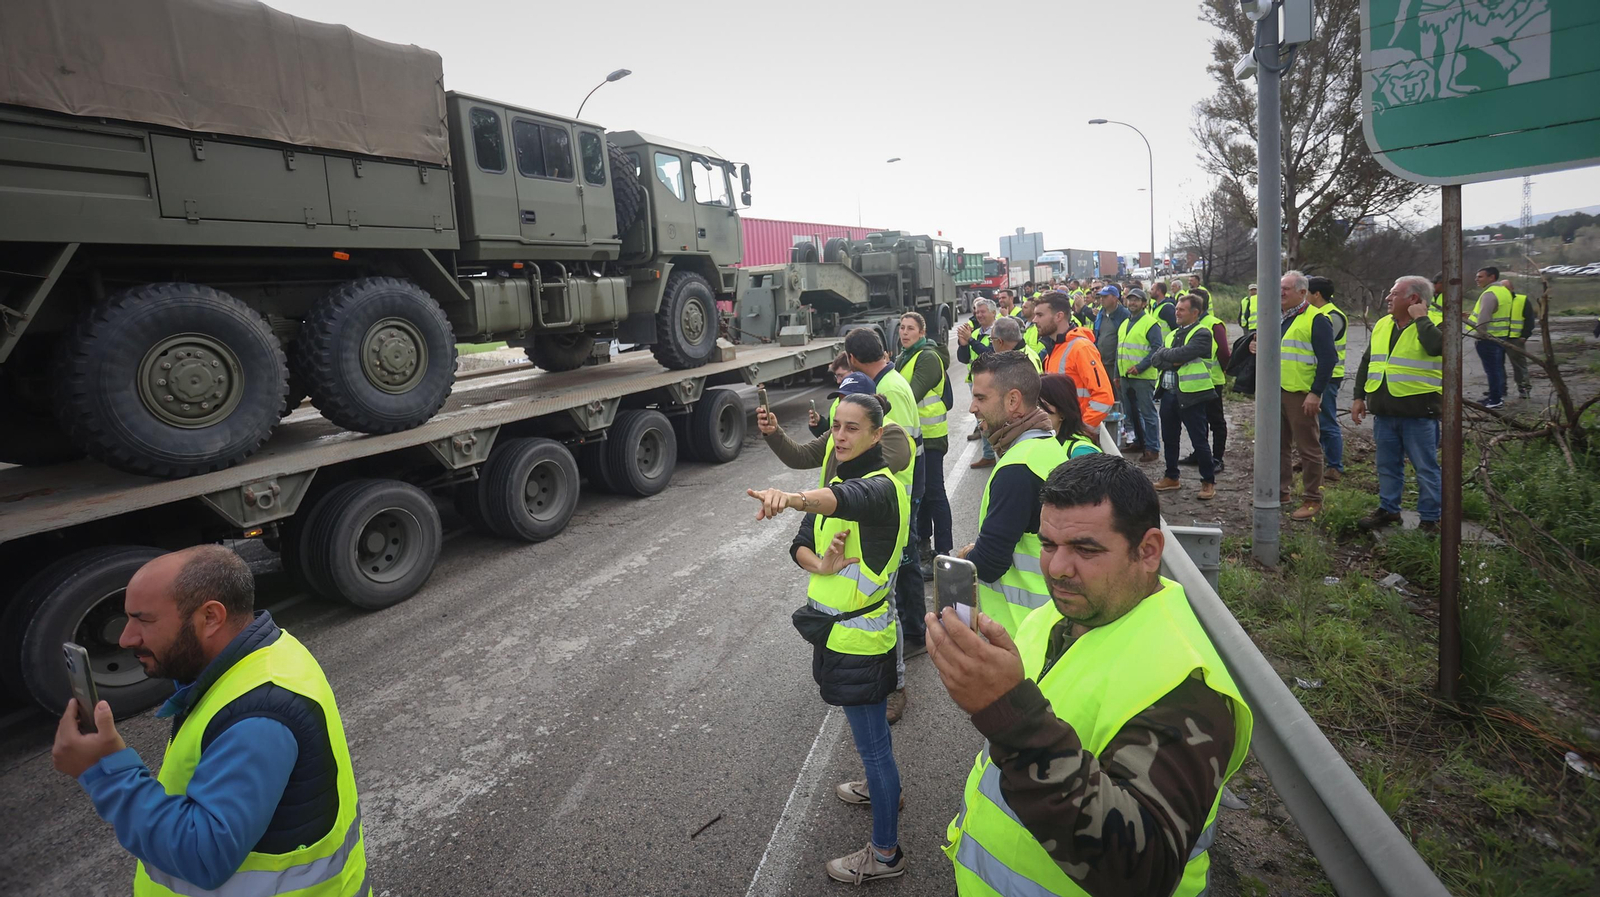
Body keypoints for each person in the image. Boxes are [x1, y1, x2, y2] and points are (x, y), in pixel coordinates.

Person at [929, 454, 1253, 897]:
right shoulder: (1054, 615)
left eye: (1085, 549)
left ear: (1148, 551)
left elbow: (1142, 869)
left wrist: (1006, 712)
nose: (1058, 568)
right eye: (1047, 545)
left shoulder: (1187, 687)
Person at [52, 545, 369, 896]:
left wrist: (104, 770)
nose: (126, 638)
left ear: (211, 618)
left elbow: (203, 857)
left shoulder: (257, 716)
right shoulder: (268, 652)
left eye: (144, 619)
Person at [747, 394, 910, 884]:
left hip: (861, 643)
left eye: (853, 428)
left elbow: (842, 502)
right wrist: (818, 563)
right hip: (835, 637)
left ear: (877, 435)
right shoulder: (837, 478)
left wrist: (792, 496)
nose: (839, 436)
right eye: (836, 427)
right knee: (871, 747)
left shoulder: (882, 489)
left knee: (876, 747)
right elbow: (800, 540)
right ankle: (881, 790)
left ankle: (885, 854)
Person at [958, 350, 1067, 636]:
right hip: (1047, 622)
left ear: (1013, 401)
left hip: (1020, 631)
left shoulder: (1017, 468)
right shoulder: (1045, 446)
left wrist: (969, 554)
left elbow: (991, 563)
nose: (972, 407)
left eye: (981, 398)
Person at [846, 328, 925, 721]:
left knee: (895, 583)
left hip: (895, 496)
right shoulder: (891, 381)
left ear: (852, 358)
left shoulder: (887, 390)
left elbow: (896, 448)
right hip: (898, 493)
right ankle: (914, 632)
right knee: (905, 569)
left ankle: (910, 639)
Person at [1350, 276, 1443, 536]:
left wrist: (1421, 318)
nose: (1388, 298)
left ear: (1413, 299)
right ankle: (1389, 509)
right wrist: (1358, 397)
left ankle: (1430, 518)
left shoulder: (1435, 323)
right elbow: (1368, 362)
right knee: (1387, 466)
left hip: (1419, 414)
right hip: (1385, 412)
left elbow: (1438, 347)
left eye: (1394, 294)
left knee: (1425, 468)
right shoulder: (1382, 325)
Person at [1268, 270, 1337, 519]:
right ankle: (1281, 491)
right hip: (1277, 392)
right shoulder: (1278, 317)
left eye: (1286, 288)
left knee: (1308, 448)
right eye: (1279, 288)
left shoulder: (1316, 319)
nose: (1281, 292)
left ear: (1302, 292)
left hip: (1301, 393)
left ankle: (1312, 499)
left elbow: (1329, 359)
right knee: (1279, 446)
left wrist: (1315, 393)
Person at [896, 312, 953, 582]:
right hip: (914, 437)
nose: (904, 332)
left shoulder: (927, 357)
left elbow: (909, 394)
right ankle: (923, 547)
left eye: (910, 328)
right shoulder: (904, 357)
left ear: (922, 332)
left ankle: (944, 554)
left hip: (930, 436)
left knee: (934, 493)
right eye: (901, 328)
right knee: (920, 494)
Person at [1147, 293, 1217, 500]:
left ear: (1195, 312)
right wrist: (1173, 358)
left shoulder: (1202, 333)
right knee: (1169, 438)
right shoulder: (1172, 334)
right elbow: (1155, 360)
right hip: (1169, 395)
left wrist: (1171, 357)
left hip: (1191, 395)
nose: (1176, 312)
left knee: (1199, 440)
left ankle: (1208, 481)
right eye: (1177, 309)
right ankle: (1171, 477)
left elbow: (1179, 355)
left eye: (1181, 309)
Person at [1035, 292, 1114, 430]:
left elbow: (1104, 397)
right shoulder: (1054, 349)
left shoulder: (1081, 348)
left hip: (1073, 435)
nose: (1035, 320)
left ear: (1059, 316)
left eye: (1040, 315)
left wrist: (1082, 429)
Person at [1181, 287, 1231, 474]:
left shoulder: (1214, 324)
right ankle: (1200, 453)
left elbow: (1224, 353)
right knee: (1198, 422)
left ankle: (1217, 458)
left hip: (1212, 381)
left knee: (1215, 421)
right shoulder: (1188, 325)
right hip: (1192, 382)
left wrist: (1226, 370)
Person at [1307, 275, 1347, 483]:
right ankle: (1313, 459)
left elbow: (1322, 347)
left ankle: (1334, 466)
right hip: (1314, 375)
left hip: (1329, 377)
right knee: (1312, 421)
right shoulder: (1316, 313)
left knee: (1327, 421)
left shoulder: (1332, 315)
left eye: (1307, 292)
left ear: (1317, 294)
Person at [1117, 287, 1165, 463]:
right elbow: (1119, 351)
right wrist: (1117, 374)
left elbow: (1157, 349)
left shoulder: (1151, 323)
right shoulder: (1124, 324)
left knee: (1147, 413)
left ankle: (1152, 448)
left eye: (1136, 300)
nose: (1132, 303)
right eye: (1130, 299)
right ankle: (1138, 441)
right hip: (1125, 376)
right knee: (1130, 413)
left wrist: (1140, 367)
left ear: (1144, 303)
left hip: (1143, 377)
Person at [958, 298, 998, 462]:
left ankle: (995, 453)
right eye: (977, 312)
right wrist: (963, 345)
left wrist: (971, 341)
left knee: (994, 418)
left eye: (983, 312)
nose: (979, 315)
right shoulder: (975, 332)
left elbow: (990, 354)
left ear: (993, 313)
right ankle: (988, 455)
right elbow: (963, 358)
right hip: (976, 382)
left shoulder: (997, 331)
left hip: (993, 382)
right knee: (982, 418)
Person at [1468, 266, 1513, 409]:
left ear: (1491, 277)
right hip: (1501, 336)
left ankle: (1495, 399)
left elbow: (1484, 318)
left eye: (1480, 276)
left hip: (1488, 339)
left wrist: (1480, 335)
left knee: (1492, 370)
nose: (1476, 279)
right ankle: (1496, 395)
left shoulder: (1489, 293)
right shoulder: (1504, 292)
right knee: (1497, 368)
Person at [1093, 285, 1130, 446]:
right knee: (1108, 396)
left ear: (1115, 298)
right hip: (1102, 362)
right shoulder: (1101, 314)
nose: (1101, 299)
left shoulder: (1123, 315)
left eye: (1105, 296)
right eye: (1101, 296)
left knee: (1120, 397)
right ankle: (1111, 425)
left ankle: (1125, 427)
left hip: (1117, 363)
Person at [1038, 374, 1102, 458]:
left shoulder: (1081, 452)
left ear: (1062, 412)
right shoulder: (1042, 442)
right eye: (1033, 406)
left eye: (1042, 406)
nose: (1036, 412)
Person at [1500, 278, 1535, 400]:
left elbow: (1529, 319)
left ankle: (1524, 389)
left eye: (1506, 288)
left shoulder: (1522, 300)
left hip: (1515, 339)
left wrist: (1524, 336)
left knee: (1519, 366)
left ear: (1512, 288)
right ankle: (1500, 389)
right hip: (1498, 337)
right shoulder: (1496, 300)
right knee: (1498, 366)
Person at [809, 351, 855, 436]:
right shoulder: (839, 400)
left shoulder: (862, 401)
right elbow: (830, 434)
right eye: (836, 376)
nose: (838, 381)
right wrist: (819, 423)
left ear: (853, 371)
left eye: (841, 375)